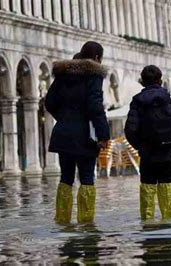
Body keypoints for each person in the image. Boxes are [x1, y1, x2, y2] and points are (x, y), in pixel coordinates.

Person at [45, 41, 110, 224]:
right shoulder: (94, 75)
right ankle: (86, 222)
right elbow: (95, 106)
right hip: (85, 136)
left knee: (66, 177)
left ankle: (62, 220)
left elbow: (49, 102)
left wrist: (65, 119)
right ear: (97, 58)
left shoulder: (63, 74)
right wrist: (103, 134)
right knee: (87, 177)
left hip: (63, 133)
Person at [125, 65, 171, 221]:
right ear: (161, 81)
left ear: (142, 82)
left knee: (147, 186)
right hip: (168, 151)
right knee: (166, 184)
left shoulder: (137, 102)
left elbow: (130, 130)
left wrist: (140, 146)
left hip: (148, 153)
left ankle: (147, 221)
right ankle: (168, 220)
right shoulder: (170, 101)